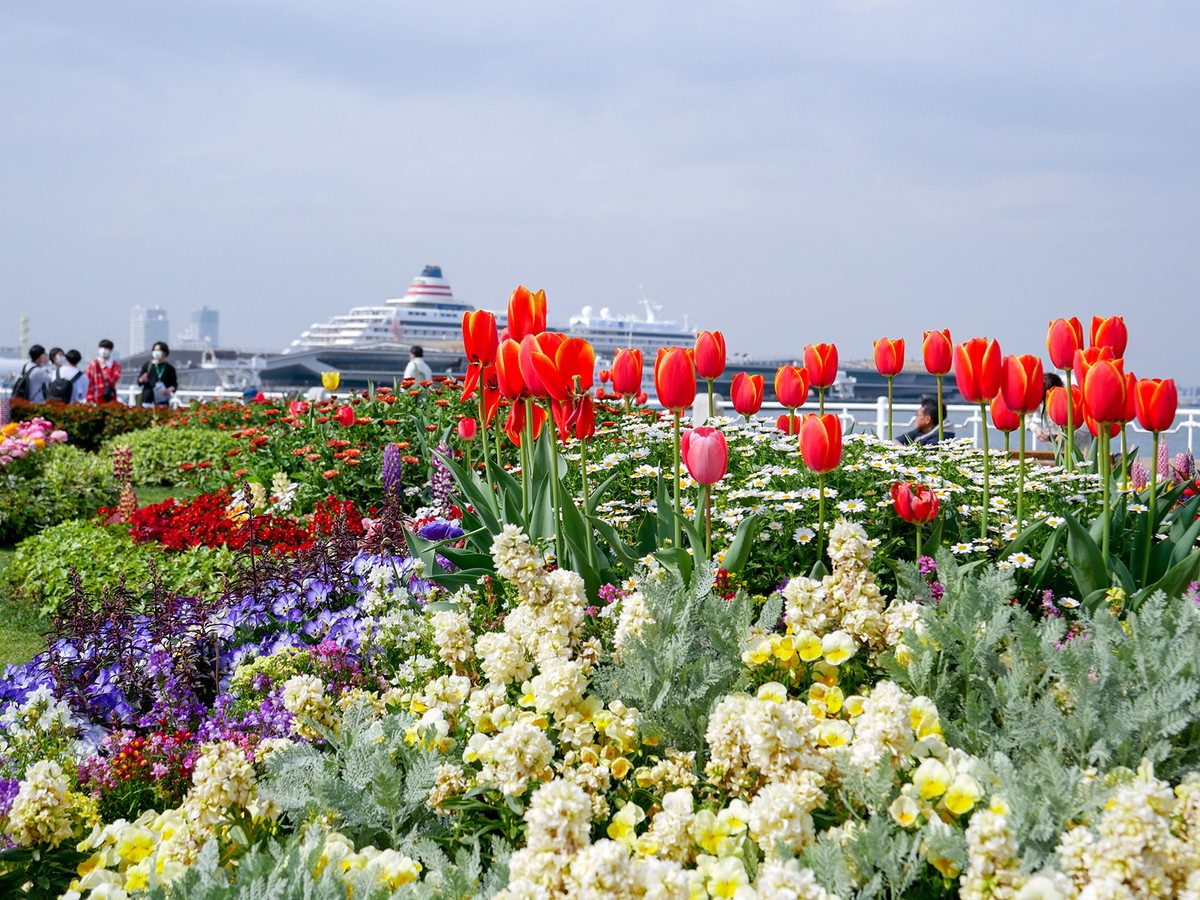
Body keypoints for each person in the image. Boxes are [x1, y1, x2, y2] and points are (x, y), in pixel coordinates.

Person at [136, 341, 178, 407]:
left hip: (163, 400)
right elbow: (139, 382)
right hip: (148, 399)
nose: (156, 352)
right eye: (155, 350)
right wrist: (141, 379)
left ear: (165, 352)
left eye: (158, 350)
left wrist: (169, 390)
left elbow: (174, 384)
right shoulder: (147, 365)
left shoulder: (169, 368)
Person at [86, 339, 122, 404]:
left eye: (106, 348)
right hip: (95, 397)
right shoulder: (93, 364)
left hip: (109, 397)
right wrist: (89, 398)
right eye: (101, 348)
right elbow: (89, 381)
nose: (103, 350)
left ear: (111, 350)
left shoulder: (116, 365)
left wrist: (104, 366)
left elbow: (113, 379)